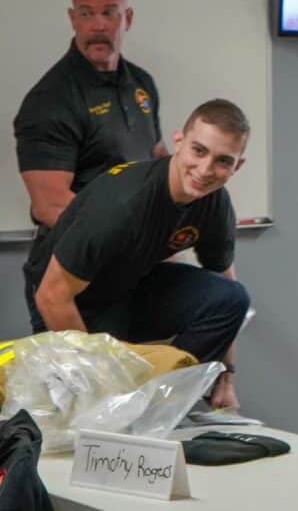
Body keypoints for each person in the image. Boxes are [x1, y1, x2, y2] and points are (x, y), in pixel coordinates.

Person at [24, 99, 252, 408]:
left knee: (231, 298)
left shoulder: (214, 204)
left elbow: (225, 281)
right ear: (178, 142)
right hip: (70, 300)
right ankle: (133, 405)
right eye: (199, 151)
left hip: (129, 285)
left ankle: (162, 403)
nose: (205, 170)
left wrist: (227, 376)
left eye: (223, 161)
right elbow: (51, 295)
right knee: (103, 402)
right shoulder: (122, 205)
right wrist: (101, 380)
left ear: (237, 166)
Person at [15, 0, 168, 326]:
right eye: (86, 13)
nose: (98, 25)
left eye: (109, 12)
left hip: (132, 269)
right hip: (71, 275)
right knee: (89, 366)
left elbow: (156, 160)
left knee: (221, 302)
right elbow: (51, 205)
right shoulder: (50, 99)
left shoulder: (141, 83)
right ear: (73, 19)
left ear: (127, 18)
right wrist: (134, 241)